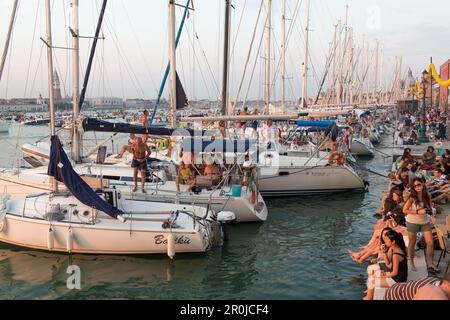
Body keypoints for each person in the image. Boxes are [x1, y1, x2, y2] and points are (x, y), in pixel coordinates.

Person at [402, 178, 438, 274]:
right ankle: (412, 262)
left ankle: (430, 263)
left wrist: (432, 216)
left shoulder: (427, 195)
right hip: (412, 222)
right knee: (412, 243)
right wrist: (417, 211)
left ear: (422, 184)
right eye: (415, 186)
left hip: (425, 222)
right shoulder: (411, 198)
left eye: (419, 184)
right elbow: (404, 210)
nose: (417, 187)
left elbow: (430, 208)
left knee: (430, 243)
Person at [364, 229, 408, 300]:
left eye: (387, 240)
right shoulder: (395, 249)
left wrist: (385, 276)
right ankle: (369, 294)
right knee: (374, 276)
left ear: (393, 242)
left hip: (397, 281)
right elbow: (389, 264)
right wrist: (383, 252)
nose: (385, 241)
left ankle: (368, 298)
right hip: (396, 277)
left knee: (371, 281)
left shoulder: (396, 255)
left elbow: (395, 272)